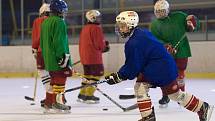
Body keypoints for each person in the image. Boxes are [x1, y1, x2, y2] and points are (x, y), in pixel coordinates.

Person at [105, 11, 214, 121]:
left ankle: (202, 107)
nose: (120, 29)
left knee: (175, 95)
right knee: (140, 87)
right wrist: (120, 75)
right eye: (119, 26)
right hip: (156, 67)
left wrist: (118, 76)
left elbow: (132, 67)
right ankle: (148, 117)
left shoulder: (133, 43)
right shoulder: (141, 33)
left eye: (123, 26)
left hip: (162, 70)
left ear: (131, 25)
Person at [150, 0, 200, 107]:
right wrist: (164, 45)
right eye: (157, 11)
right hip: (165, 53)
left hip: (182, 50)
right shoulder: (154, 24)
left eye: (162, 11)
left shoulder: (180, 16)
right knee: (164, 74)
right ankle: (165, 95)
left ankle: (182, 96)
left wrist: (194, 23)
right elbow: (155, 39)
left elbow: (191, 25)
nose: (160, 13)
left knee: (180, 74)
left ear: (167, 10)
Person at [40, 0, 73, 113]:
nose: (64, 13)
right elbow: (60, 42)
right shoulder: (59, 22)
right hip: (58, 58)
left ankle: (50, 102)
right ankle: (58, 103)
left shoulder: (45, 22)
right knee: (60, 79)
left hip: (49, 59)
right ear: (59, 11)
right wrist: (63, 58)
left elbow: (43, 42)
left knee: (53, 80)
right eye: (63, 11)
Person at [77, 10, 110, 104]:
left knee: (87, 76)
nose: (100, 19)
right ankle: (89, 95)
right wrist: (104, 47)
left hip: (85, 57)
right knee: (97, 74)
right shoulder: (96, 28)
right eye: (98, 17)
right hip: (94, 57)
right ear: (93, 18)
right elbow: (99, 43)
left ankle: (82, 94)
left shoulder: (85, 28)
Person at [31, 3, 50, 107]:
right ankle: (57, 97)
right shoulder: (56, 20)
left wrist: (34, 48)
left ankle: (50, 97)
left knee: (43, 73)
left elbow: (36, 37)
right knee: (54, 75)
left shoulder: (38, 21)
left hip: (41, 51)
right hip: (53, 52)